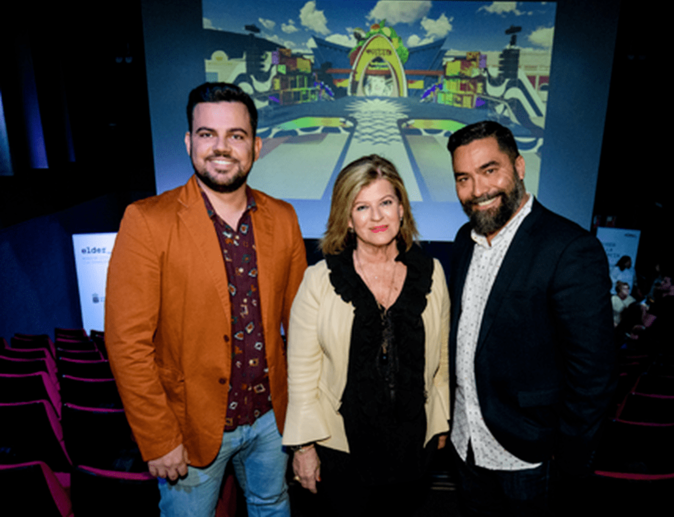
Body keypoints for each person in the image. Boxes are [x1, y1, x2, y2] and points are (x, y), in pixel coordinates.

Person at [105, 82, 307, 516]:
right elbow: (127, 344)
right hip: (187, 426)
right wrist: (158, 438)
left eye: (236, 135)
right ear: (188, 142)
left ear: (255, 146)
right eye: (206, 134)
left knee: (273, 506)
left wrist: (303, 421)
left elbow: (301, 329)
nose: (221, 147)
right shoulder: (146, 220)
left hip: (271, 419)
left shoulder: (284, 217)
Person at [446, 121, 616, 515]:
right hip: (465, 445)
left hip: (529, 457)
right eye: (463, 178)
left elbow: (594, 375)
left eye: (490, 170)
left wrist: (567, 458)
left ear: (519, 167)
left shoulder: (570, 248)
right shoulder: (463, 241)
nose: (477, 190)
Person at [282, 155, 450, 516]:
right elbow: (302, 375)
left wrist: (441, 422)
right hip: (341, 447)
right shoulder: (320, 280)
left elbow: (441, 360)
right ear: (347, 218)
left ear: (401, 208)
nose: (377, 217)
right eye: (362, 207)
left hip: (413, 443)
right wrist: (303, 448)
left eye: (385, 202)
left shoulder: (432, 272)